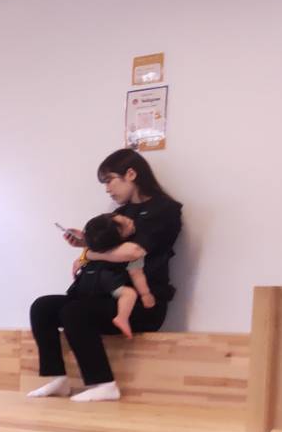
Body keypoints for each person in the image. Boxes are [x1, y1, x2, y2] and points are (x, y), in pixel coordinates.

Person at [29, 148, 182, 402]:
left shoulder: (165, 210)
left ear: (131, 174)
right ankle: (59, 379)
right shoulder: (122, 213)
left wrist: (90, 252)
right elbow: (112, 248)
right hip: (105, 295)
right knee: (42, 307)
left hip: (142, 303)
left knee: (74, 311)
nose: (108, 190)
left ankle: (104, 384)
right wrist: (86, 242)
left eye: (110, 180)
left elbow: (133, 251)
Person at [74, 213, 153, 338]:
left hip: (93, 284)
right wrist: (145, 294)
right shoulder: (130, 251)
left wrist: (85, 242)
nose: (130, 220)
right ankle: (122, 318)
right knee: (129, 294)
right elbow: (136, 274)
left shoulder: (97, 248)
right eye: (125, 224)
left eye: (125, 218)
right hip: (109, 282)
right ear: (119, 237)